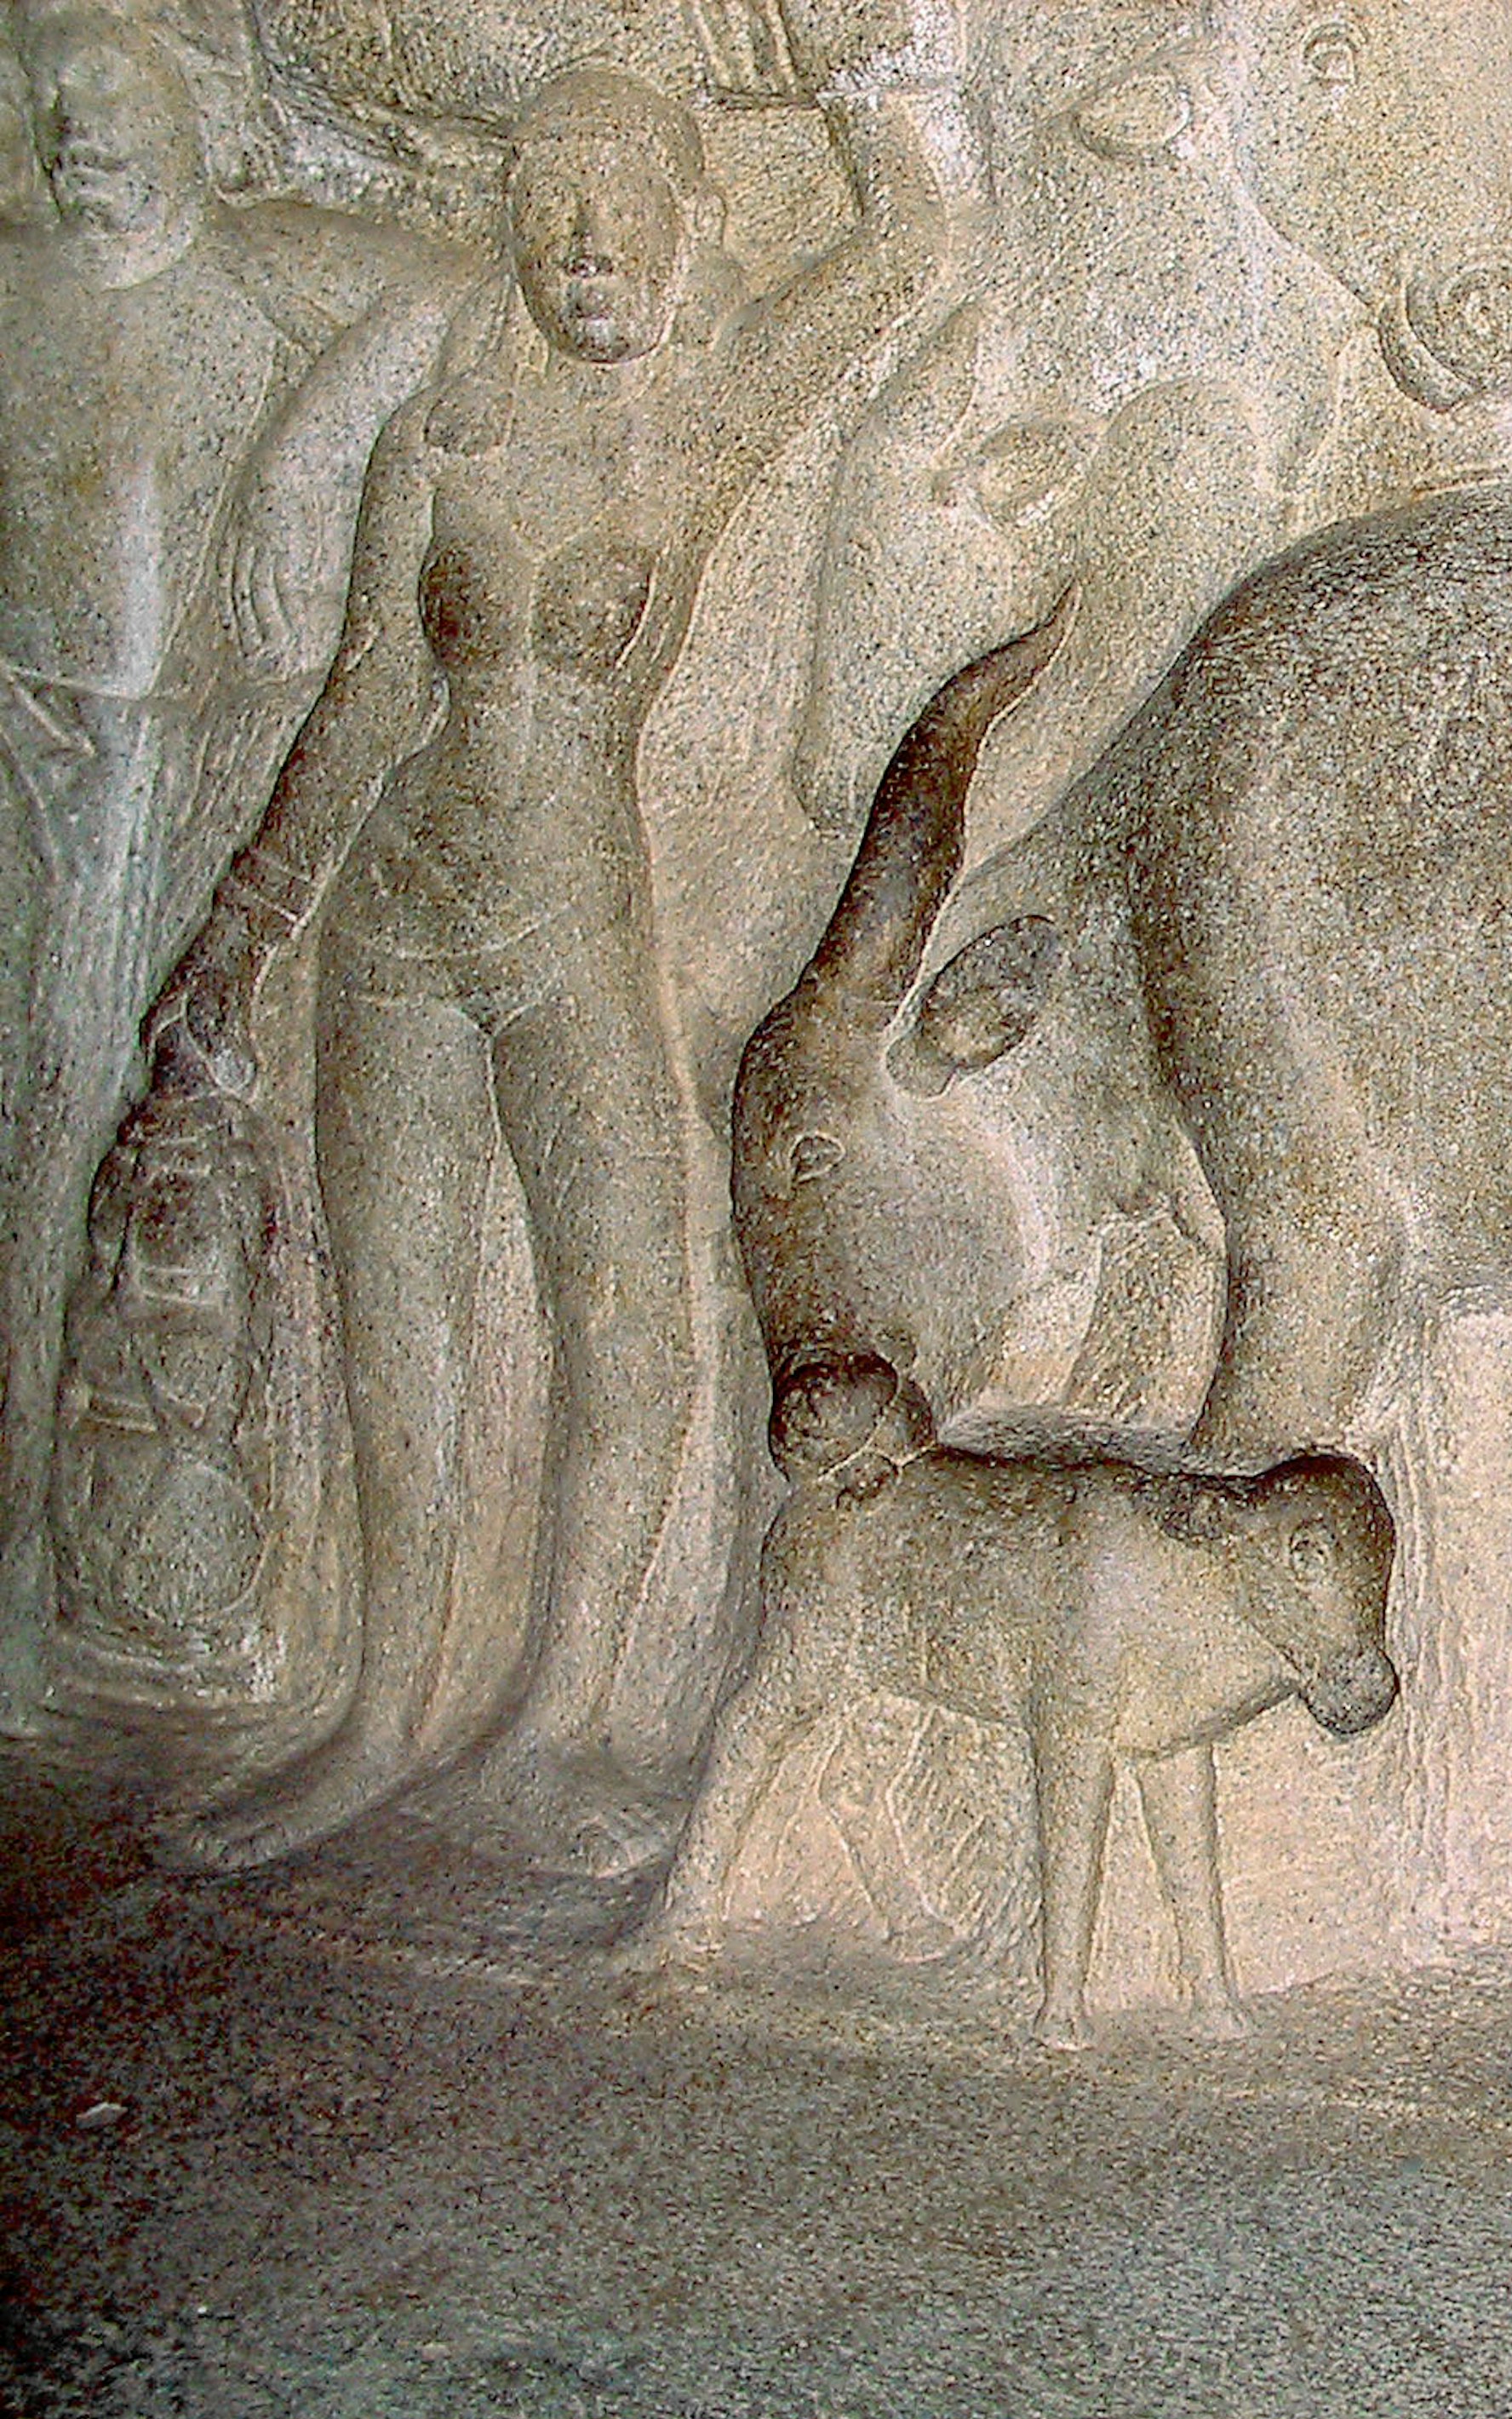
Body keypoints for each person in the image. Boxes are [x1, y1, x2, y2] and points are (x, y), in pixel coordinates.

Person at [132, 58, 974, 1873]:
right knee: (398, 1312)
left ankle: (561, 1711)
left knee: (620, 1302)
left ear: (686, 228)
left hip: (566, 906)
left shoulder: (700, 416)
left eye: (621, 204)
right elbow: (363, 700)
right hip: (398, 914)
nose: (584, 240)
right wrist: (239, 935)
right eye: (548, 207)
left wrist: (848, 70)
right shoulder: (444, 434)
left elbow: (914, 236)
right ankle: (383, 1709)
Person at [0, 0, 460, 1717]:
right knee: (42, 1153)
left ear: (195, 101)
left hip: (212, 762)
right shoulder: (26, 287)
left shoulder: (266, 258)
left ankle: (237, 1594)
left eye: (106, 85)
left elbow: (447, 289)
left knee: (204, 1151)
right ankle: (39, 1575)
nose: (75, 125)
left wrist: (307, 437)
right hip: (52, 760)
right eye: (47, 95)